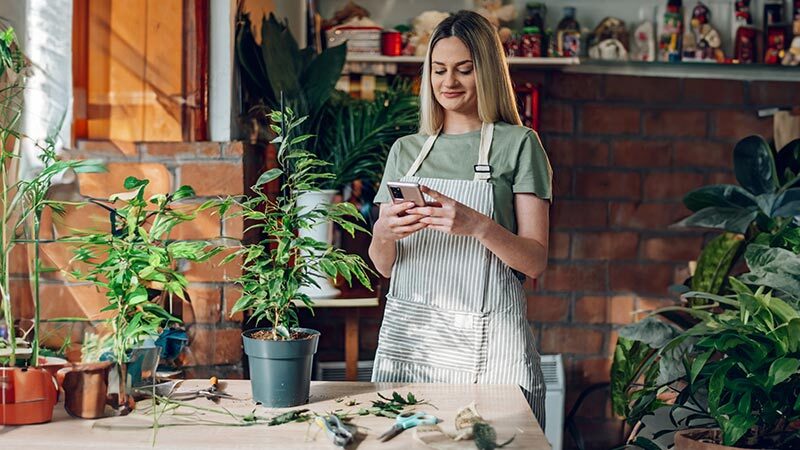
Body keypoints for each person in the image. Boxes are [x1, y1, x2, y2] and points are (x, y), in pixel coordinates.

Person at [368, 10, 552, 427]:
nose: (448, 82)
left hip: (491, 344)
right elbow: (383, 264)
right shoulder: (406, 152)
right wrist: (384, 232)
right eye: (439, 70)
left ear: (485, 72)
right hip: (414, 342)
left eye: (463, 70)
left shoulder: (520, 144)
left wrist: (478, 225)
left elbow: (535, 260)